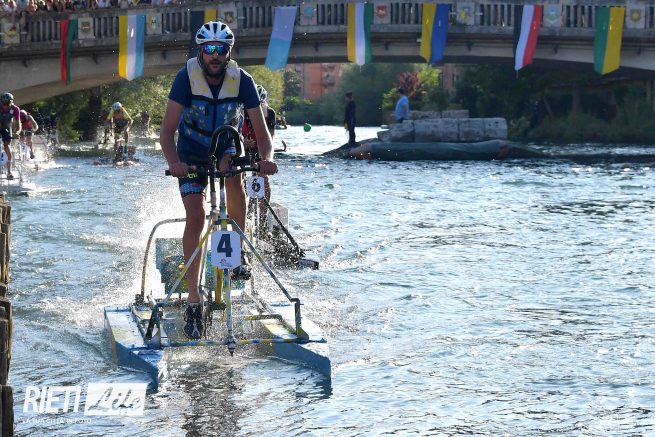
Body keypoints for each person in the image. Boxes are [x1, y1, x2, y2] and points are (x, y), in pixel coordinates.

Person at [159, 20, 278, 339]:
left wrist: (266, 159)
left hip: (226, 146)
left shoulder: (243, 81)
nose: (215, 55)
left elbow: (262, 134)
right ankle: (193, 300)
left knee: (235, 183)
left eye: (221, 50)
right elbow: (166, 132)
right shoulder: (185, 78)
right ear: (201, 51)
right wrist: (175, 164)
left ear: (229, 52)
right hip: (190, 153)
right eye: (209, 49)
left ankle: (237, 253)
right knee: (196, 214)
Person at [241, 84, 276, 234]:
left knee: (263, 179)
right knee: (240, 179)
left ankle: (262, 218)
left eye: (262, 105)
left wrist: (266, 160)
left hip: (260, 148)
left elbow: (271, 137)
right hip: (242, 148)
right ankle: (244, 212)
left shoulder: (270, 113)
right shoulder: (241, 112)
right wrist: (243, 141)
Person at [0, 92, 21, 180]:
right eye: (3, 104)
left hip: (7, 128)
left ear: (11, 102)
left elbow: (18, 124)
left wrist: (17, 133)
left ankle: (9, 172)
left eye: (7, 104)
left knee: (7, 145)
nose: (5, 106)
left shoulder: (15, 109)